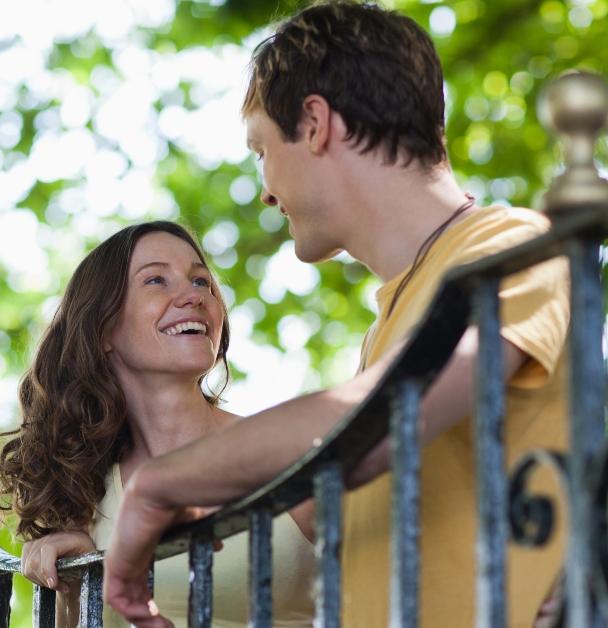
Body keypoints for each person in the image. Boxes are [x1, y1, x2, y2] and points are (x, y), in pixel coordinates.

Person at [103, 3, 570, 627]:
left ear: (316, 123)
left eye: (263, 150)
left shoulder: (507, 244)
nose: (266, 190)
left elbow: (389, 412)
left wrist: (165, 483)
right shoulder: (393, 320)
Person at [0, 221, 316, 627]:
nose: (193, 295)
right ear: (103, 329)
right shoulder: (84, 499)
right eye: (156, 280)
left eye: (201, 282)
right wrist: (70, 586)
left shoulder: (283, 453)